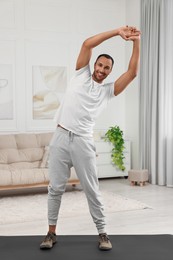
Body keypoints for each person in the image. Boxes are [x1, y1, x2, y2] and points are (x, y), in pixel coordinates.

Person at [40, 25, 141, 251]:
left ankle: (103, 233)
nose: (102, 70)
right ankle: (51, 233)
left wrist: (136, 40)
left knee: (92, 189)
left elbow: (132, 73)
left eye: (107, 68)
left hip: (83, 142)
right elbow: (87, 43)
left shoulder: (107, 91)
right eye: (100, 65)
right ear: (94, 65)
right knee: (55, 188)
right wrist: (117, 32)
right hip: (61, 136)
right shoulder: (80, 75)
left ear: (109, 72)